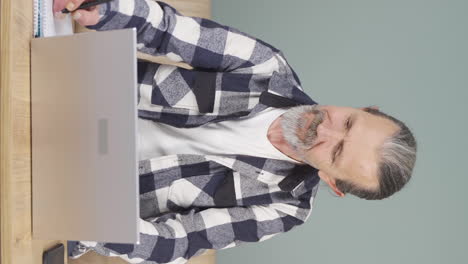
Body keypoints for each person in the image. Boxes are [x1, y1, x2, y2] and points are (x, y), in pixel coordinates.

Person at [54, 0, 418, 263]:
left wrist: (100, 226)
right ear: (364, 108)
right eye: (348, 122)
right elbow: (171, 32)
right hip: (69, 92)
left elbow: (179, 241)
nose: (325, 128)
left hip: (78, 193)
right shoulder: (267, 67)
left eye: (336, 153)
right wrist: (108, 11)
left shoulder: (286, 209)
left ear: (332, 182)